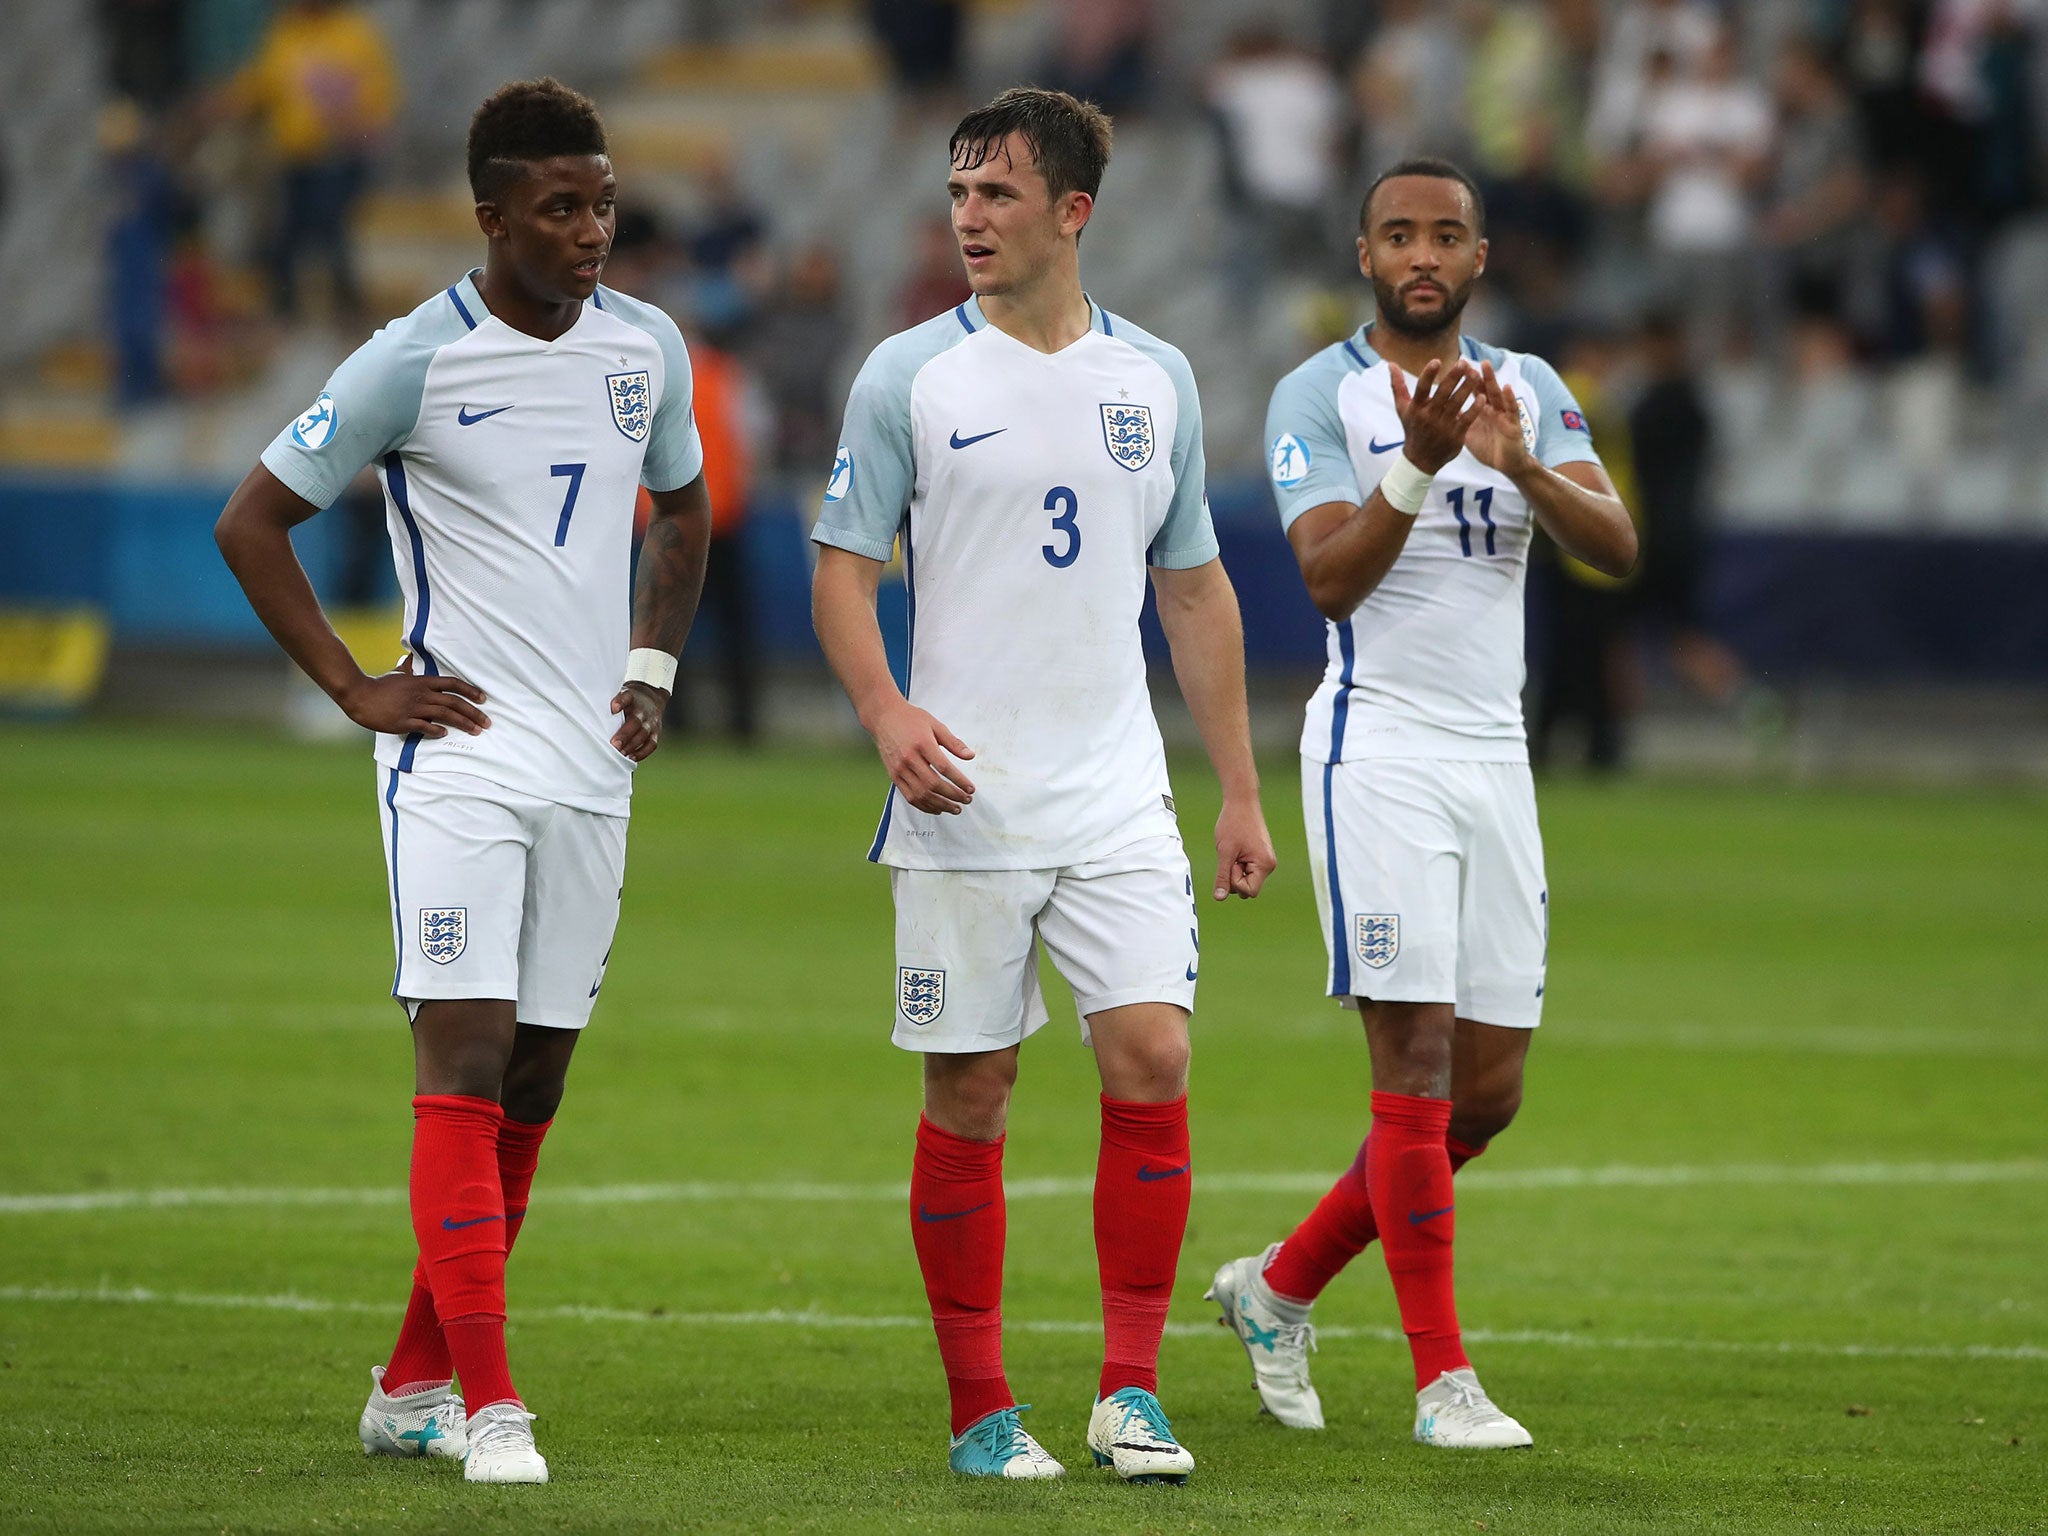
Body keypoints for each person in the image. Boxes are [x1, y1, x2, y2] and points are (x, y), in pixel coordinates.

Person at [212, 78, 711, 1484]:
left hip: (593, 766)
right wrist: (358, 688)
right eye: (562, 207)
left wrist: (654, 667)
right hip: (460, 762)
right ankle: (493, 1405)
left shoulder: (647, 349)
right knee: (467, 1056)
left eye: (604, 201)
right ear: (492, 217)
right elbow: (252, 521)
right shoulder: (407, 360)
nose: (593, 228)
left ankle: (413, 1381)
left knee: (537, 1081)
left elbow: (681, 507)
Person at [810, 87, 1275, 1484]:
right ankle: (979, 1410)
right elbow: (843, 568)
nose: (969, 217)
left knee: (1155, 1057)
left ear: (1073, 211)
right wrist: (886, 714)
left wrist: (1240, 791)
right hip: (965, 793)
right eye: (958, 193)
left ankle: (1129, 1390)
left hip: (1117, 789)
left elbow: (1193, 591)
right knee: (973, 1090)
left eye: (999, 194)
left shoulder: (1157, 380)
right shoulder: (908, 376)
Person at [1208, 159, 1636, 1448]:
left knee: (1486, 1098)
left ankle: (1277, 1288)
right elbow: (1327, 582)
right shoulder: (1317, 395)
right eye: (1398, 233)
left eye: (1444, 234)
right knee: (1412, 1066)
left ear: (1480, 256)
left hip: (1494, 759)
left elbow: (1614, 550)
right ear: (1362, 254)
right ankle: (1441, 1381)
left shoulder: (1533, 387)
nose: (1421, 254)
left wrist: (1520, 464)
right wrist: (1417, 465)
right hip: (1376, 750)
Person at [219, 0, 398, 321]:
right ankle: (295, 303)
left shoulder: (354, 33)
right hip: (294, 158)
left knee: (323, 219)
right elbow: (261, 83)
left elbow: (380, 95)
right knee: (290, 227)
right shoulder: (285, 32)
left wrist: (359, 124)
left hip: (341, 155)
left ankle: (336, 299)